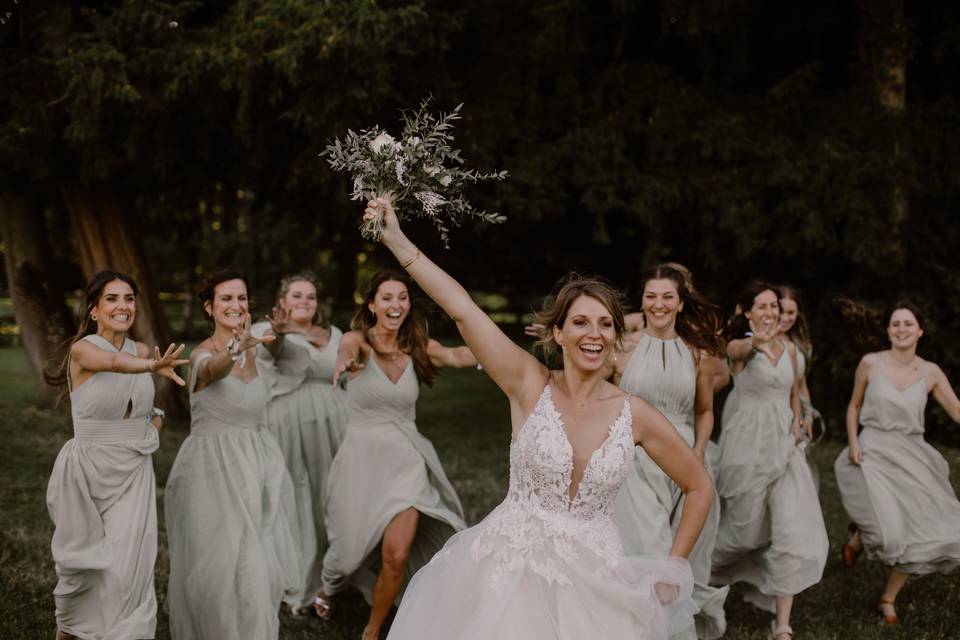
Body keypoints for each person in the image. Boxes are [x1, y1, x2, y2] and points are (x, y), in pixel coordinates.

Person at [361, 196, 713, 640]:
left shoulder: (634, 414)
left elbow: (699, 486)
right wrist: (397, 241)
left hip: (596, 580)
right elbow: (463, 309)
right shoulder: (529, 384)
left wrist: (673, 565)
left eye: (606, 324)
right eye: (581, 322)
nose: (595, 334)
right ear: (558, 333)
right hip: (512, 571)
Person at [316, 268, 477, 640]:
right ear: (372, 304)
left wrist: (505, 347)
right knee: (347, 552)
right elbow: (346, 349)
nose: (396, 304)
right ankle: (329, 586)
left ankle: (373, 630)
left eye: (402, 297)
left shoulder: (418, 347)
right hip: (361, 463)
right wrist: (343, 363)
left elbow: (457, 355)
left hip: (407, 462)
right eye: (387, 297)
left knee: (396, 556)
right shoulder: (358, 342)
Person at [44, 270, 187, 640]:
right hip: (88, 472)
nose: (123, 306)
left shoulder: (139, 350)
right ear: (93, 310)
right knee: (83, 569)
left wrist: (151, 428)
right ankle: (68, 633)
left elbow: (143, 407)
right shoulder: (84, 349)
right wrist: (151, 367)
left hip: (132, 473)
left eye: (129, 298)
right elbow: (111, 364)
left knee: (129, 572)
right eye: (112, 298)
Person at [165, 270, 300, 639]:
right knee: (218, 563)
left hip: (256, 465)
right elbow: (213, 369)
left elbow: (281, 354)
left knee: (256, 563)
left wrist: (271, 338)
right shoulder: (202, 356)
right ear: (209, 307)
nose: (236, 305)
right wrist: (234, 349)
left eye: (241, 298)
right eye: (226, 299)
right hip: (213, 470)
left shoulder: (256, 348)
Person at [609, 264, 729, 640]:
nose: (658, 304)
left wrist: (697, 452)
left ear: (680, 303)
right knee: (649, 549)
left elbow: (705, 410)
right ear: (641, 302)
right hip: (635, 459)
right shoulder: (621, 348)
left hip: (685, 461)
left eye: (667, 297)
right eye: (650, 296)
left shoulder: (699, 354)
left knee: (681, 556)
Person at [711, 283, 828, 640]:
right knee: (742, 533)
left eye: (774, 305)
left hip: (786, 448)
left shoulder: (792, 351)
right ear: (747, 312)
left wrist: (797, 421)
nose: (770, 312)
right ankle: (697, 575)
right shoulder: (738, 347)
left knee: (791, 529)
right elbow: (738, 352)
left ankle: (782, 624)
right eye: (761, 306)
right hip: (747, 446)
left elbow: (793, 394)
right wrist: (754, 341)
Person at [834, 300, 960, 624]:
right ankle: (861, 537)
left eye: (908, 324)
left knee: (922, 531)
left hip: (913, 455)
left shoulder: (931, 371)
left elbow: (958, 411)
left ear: (920, 330)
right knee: (889, 535)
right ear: (888, 330)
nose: (901, 329)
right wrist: (853, 443)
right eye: (895, 324)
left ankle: (887, 598)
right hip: (873, 448)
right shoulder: (870, 364)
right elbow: (853, 406)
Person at [252, 272, 349, 613]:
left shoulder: (335, 333)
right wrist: (278, 335)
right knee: (298, 495)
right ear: (282, 302)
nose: (304, 301)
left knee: (332, 494)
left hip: (336, 422)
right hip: (289, 424)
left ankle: (336, 573)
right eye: (296, 295)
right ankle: (299, 580)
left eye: (310, 296)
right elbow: (270, 352)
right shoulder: (270, 332)